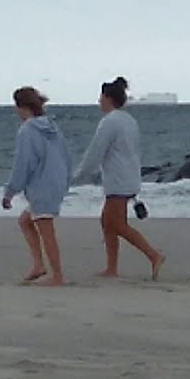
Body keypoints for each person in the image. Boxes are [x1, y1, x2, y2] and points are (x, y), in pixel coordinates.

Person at [74, 76, 166, 280]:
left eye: (101, 96)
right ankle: (111, 268)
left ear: (108, 98)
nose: (99, 101)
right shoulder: (128, 120)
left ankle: (154, 255)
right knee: (107, 222)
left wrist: (78, 176)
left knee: (117, 225)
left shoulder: (110, 122)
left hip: (118, 180)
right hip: (128, 177)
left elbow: (95, 153)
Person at [2, 86, 73, 286]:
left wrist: (10, 192)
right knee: (26, 221)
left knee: (46, 229)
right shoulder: (52, 127)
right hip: (56, 183)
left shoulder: (27, 131)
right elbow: (67, 157)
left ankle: (58, 275)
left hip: (42, 186)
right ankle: (38, 265)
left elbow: (23, 164)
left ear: (22, 106)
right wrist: (66, 180)